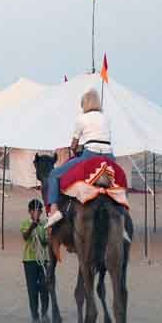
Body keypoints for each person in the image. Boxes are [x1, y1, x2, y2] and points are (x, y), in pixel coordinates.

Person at [45, 88, 113, 227]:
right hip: (109, 157)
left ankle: (53, 210)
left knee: (54, 175)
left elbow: (74, 145)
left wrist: (74, 149)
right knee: (119, 182)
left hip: (90, 156)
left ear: (85, 104)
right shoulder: (105, 117)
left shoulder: (81, 118)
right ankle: (121, 215)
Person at [21, 199, 50, 323]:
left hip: (43, 259)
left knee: (45, 287)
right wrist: (32, 227)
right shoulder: (26, 223)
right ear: (30, 211)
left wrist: (45, 237)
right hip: (29, 260)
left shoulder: (45, 224)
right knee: (32, 288)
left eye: (39, 211)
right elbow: (25, 237)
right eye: (35, 211)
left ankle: (44, 313)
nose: (37, 213)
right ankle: (34, 315)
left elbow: (45, 242)